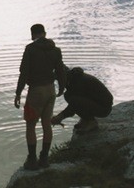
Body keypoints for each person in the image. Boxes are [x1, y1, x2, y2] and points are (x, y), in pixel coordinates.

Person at [13, 23, 67, 170]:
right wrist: (62, 86)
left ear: (32, 35)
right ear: (44, 33)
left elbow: (24, 73)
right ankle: (44, 159)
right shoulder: (55, 50)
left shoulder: (30, 49)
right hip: (50, 90)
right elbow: (60, 70)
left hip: (36, 91)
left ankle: (32, 160)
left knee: (30, 125)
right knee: (46, 124)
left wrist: (18, 93)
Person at [51, 67, 113, 133]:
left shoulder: (78, 82)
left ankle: (91, 122)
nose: (59, 82)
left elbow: (74, 105)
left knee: (73, 99)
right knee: (67, 95)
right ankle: (85, 119)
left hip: (104, 108)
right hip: (96, 102)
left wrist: (60, 116)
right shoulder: (73, 78)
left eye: (59, 79)